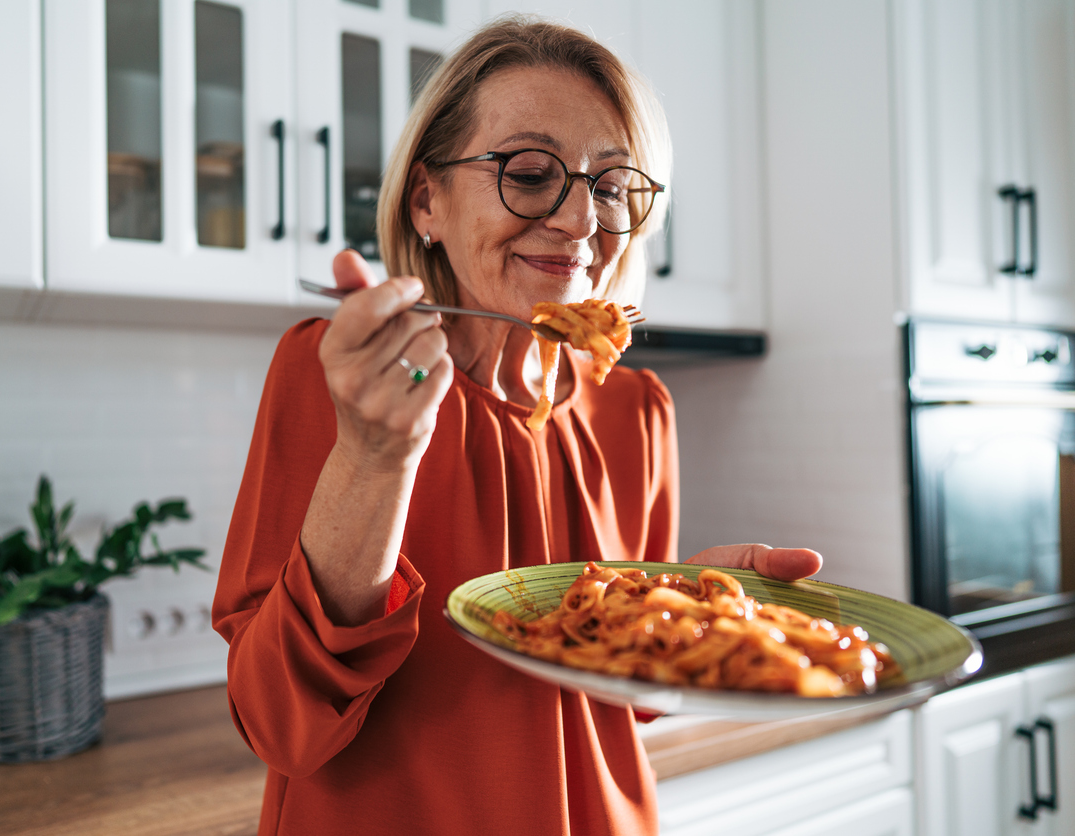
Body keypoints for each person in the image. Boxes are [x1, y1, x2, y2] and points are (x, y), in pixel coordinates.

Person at [213, 16, 822, 835]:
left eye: (608, 187)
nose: (579, 223)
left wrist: (676, 615)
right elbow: (278, 723)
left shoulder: (635, 411)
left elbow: (620, 708)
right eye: (530, 174)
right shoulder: (339, 377)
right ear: (427, 198)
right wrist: (373, 455)